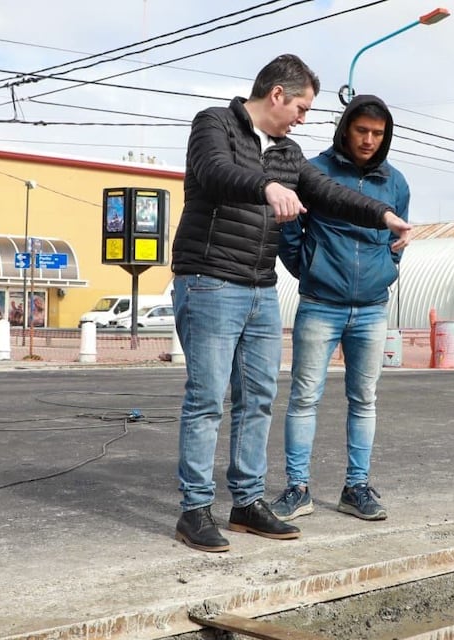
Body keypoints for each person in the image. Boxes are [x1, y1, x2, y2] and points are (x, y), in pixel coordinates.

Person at [170, 54, 412, 553]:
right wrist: (265, 186)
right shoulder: (214, 124)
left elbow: (327, 191)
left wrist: (383, 214)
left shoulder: (287, 152)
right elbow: (215, 174)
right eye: (301, 106)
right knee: (207, 399)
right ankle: (195, 509)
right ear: (277, 95)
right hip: (210, 280)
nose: (304, 117)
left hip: (260, 287)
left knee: (257, 398)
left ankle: (246, 502)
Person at [272, 95, 409, 523]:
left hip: (371, 309)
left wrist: (385, 269)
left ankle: (357, 486)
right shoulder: (314, 171)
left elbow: (398, 242)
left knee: (364, 399)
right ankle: (297, 488)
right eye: (361, 130)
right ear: (345, 128)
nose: (368, 140)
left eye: (377, 134)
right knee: (303, 399)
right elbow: (290, 229)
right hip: (319, 303)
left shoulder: (396, 183)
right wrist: (310, 271)